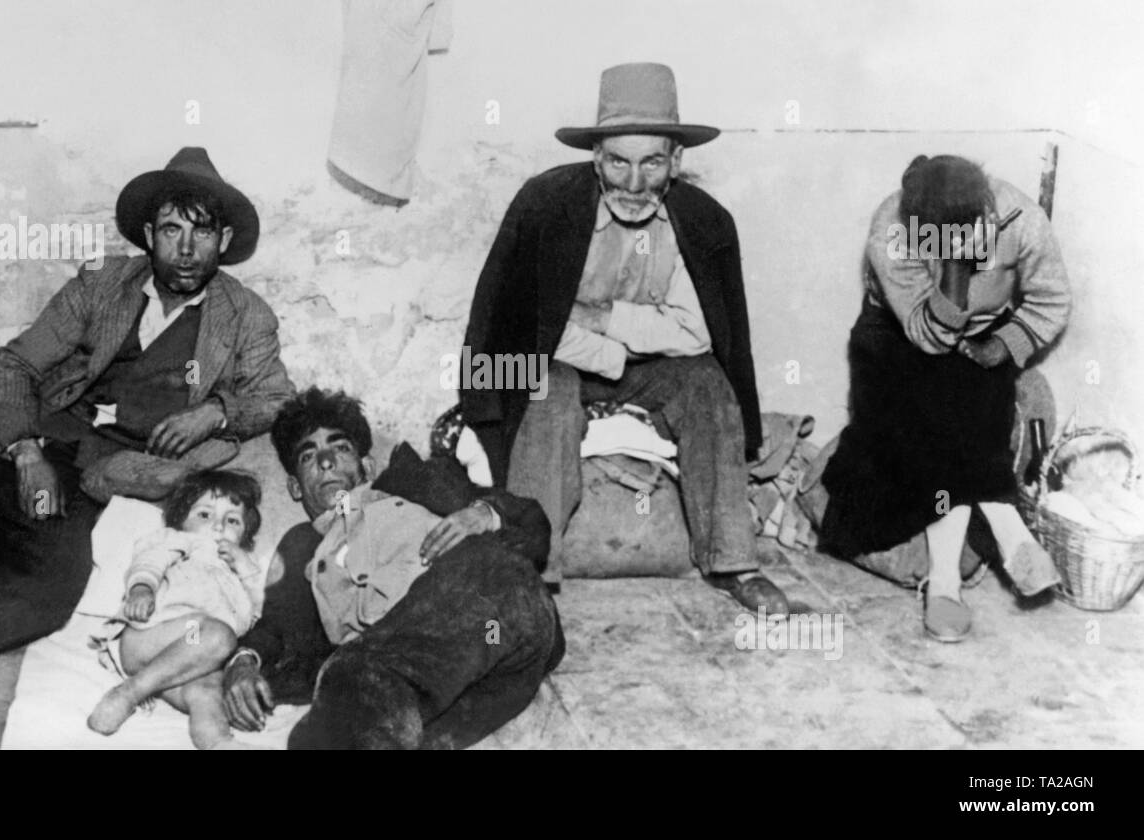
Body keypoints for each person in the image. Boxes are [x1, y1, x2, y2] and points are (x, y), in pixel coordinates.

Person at [0, 147, 294, 675]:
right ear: (149, 236)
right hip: (17, 441)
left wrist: (216, 411)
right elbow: (12, 366)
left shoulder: (246, 318)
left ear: (224, 240)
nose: (188, 249)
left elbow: (277, 399)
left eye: (203, 233)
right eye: (172, 230)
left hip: (86, 486)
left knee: (47, 596)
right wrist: (25, 450)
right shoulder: (103, 283)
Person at [459, 62, 788, 614]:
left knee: (706, 385)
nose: (633, 184)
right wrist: (617, 347)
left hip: (645, 365)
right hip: (558, 363)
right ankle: (531, 569)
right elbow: (528, 334)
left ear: (677, 161)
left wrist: (601, 316)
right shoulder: (545, 207)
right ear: (596, 158)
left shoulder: (705, 223)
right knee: (543, 387)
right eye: (618, 161)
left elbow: (697, 336)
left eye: (652, 162)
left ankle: (734, 562)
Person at [222, 387, 565, 749]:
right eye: (309, 456)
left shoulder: (421, 481)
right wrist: (243, 662)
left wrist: (484, 514)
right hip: (429, 676)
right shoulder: (302, 546)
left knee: (359, 676)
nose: (326, 461)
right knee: (337, 712)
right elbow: (277, 625)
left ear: (367, 467)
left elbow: (533, 523)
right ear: (294, 487)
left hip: (499, 612)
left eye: (340, 449)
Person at [819, 154, 1072, 642]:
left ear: (987, 204)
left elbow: (1052, 299)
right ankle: (998, 533)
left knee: (962, 396)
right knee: (939, 402)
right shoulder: (891, 225)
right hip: (897, 332)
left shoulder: (1020, 218)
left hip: (982, 334)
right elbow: (927, 336)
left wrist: (1006, 344)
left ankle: (945, 586)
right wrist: (957, 264)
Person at [87, 470, 265, 749]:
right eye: (205, 515)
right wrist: (142, 588)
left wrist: (247, 569)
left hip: (189, 659)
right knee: (219, 635)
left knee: (207, 694)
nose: (218, 527)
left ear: (245, 535)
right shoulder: (181, 540)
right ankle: (129, 693)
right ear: (182, 520)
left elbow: (255, 614)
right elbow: (150, 560)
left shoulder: (240, 570)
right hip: (155, 633)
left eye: (232, 520)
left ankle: (219, 742)